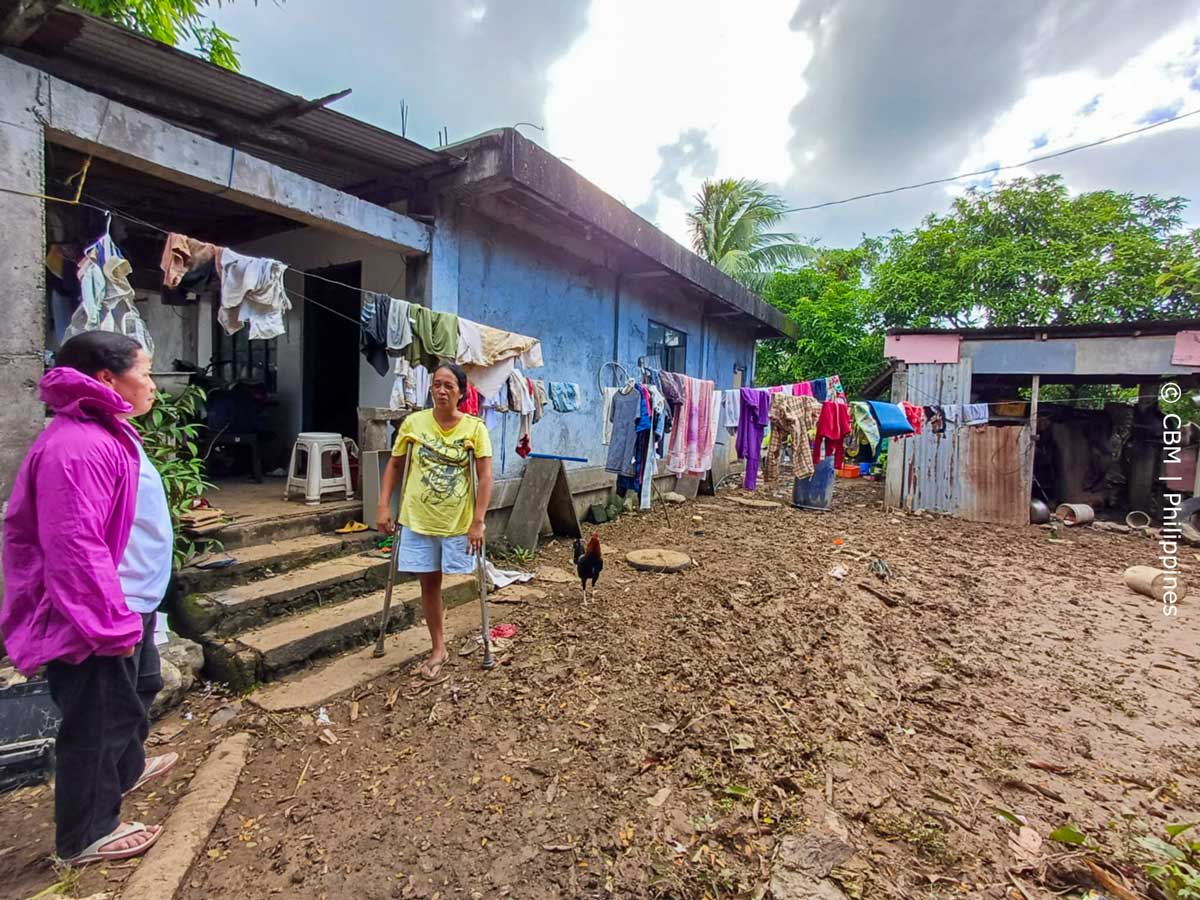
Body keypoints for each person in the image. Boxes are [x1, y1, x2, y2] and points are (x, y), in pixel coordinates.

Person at [1, 332, 178, 865]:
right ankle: (86, 833)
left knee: (140, 686)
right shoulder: (76, 445)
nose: (151, 383)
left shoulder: (104, 429)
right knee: (97, 717)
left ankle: (125, 771)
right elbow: (74, 547)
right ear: (107, 379)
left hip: (131, 600)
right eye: (144, 372)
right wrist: (108, 625)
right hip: (101, 610)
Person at [376, 361, 493, 679]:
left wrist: (478, 521)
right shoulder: (413, 424)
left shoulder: (475, 429)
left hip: (458, 521)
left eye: (448, 386)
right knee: (429, 583)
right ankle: (438, 646)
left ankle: (481, 635)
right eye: (436, 385)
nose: (441, 391)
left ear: (461, 393)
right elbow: (395, 466)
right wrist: (383, 505)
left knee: (468, 579)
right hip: (417, 518)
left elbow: (484, 477)